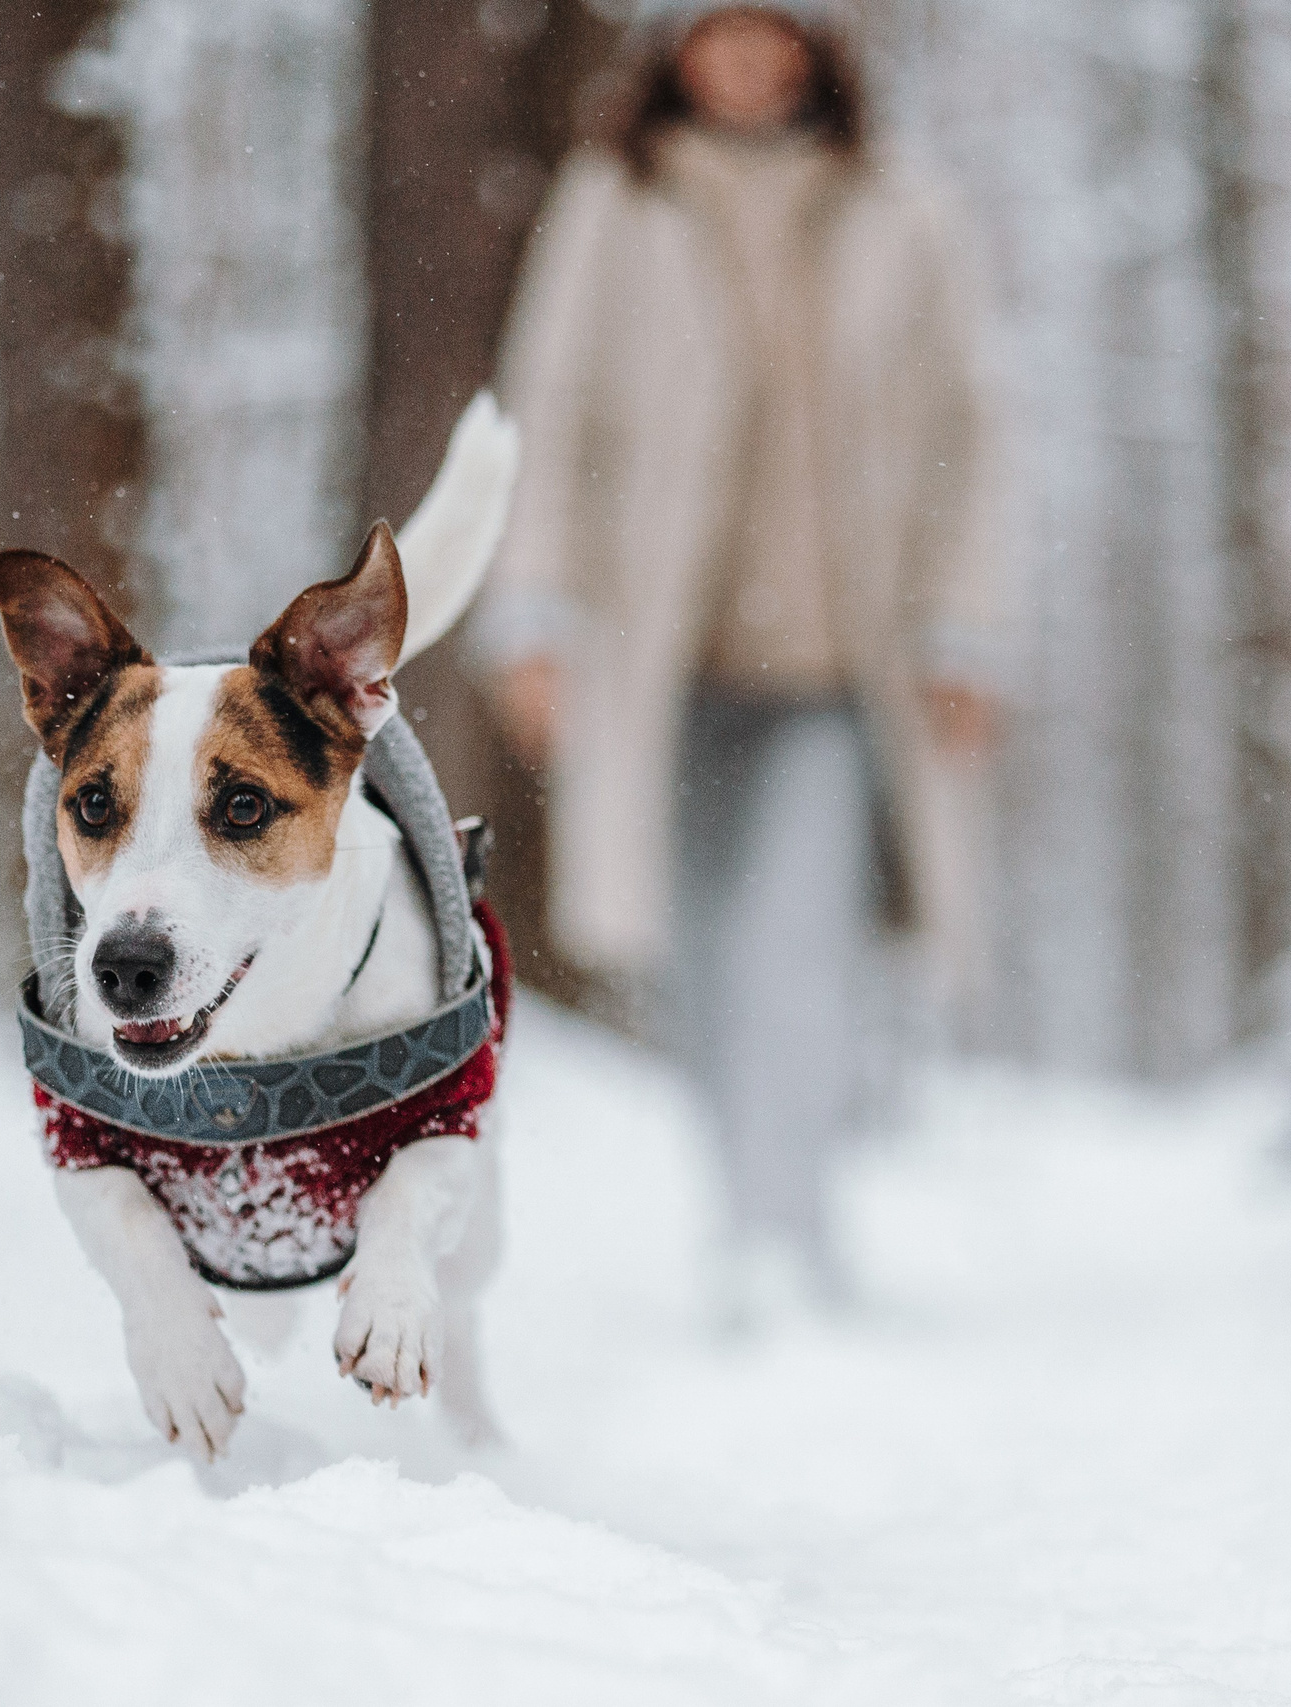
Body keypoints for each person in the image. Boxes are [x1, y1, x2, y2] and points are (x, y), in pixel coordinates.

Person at [477, 3, 1011, 1318]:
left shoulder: (903, 211)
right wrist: (534, 617)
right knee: (698, 950)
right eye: (719, 35)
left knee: (802, 942)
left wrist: (966, 627)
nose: (748, 63)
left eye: (775, 35)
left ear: (818, 53)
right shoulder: (618, 202)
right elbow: (550, 405)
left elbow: (973, 430)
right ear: (675, 55)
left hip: (841, 661)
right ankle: (741, 1222)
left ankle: (794, 1234)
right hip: (661, 655)